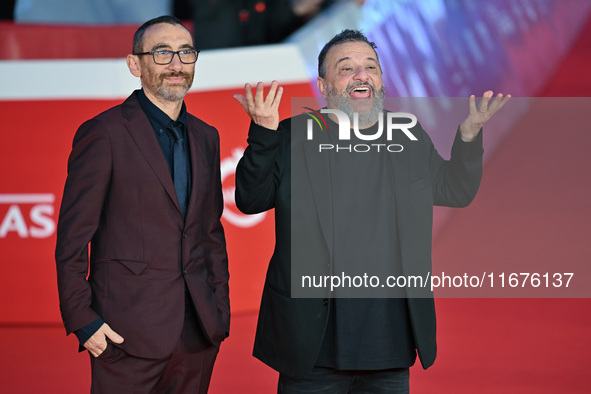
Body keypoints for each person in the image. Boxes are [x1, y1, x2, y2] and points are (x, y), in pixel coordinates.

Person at [233, 29, 509, 393]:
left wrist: (469, 136)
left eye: (370, 66)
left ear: (380, 79)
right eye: (346, 68)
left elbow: (454, 190)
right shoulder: (292, 136)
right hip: (312, 343)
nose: (361, 75)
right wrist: (263, 135)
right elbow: (251, 200)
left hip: (388, 344)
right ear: (324, 84)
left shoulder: (407, 136)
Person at [55, 15, 229, 393]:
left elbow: (209, 232)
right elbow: (72, 238)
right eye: (162, 53)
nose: (176, 65)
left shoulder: (206, 136)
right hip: (123, 335)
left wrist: (219, 314)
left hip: (197, 333)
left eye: (186, 53)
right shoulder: (104, 133)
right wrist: (82, 320)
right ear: (136, 64)